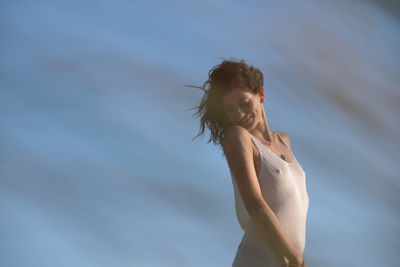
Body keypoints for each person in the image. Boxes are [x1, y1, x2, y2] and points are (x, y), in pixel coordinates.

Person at [191, 58, 309, 266]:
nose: (239, 114)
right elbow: (255, 206)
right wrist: (294, 257)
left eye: (244, 103)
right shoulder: (238, 138)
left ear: (261, 94)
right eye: (231, 109)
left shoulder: (284, 140)